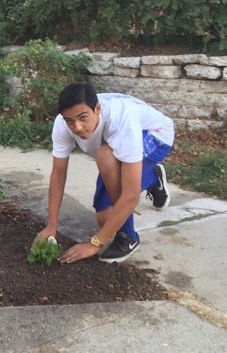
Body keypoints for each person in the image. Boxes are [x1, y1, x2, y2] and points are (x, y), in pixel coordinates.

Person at [35, 83, 173, 264]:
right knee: (105, 219)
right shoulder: (63, 124)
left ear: (97, 109)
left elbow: (130, 196)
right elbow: (58, 175)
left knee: (106, 157)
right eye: (70, 121)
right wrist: (51, 225)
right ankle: (151, 178)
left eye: (83, 117)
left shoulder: (122, 120)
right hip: (117, 145)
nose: (76, 127)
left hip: (156, 135)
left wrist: (95, 243)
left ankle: (128, 237)